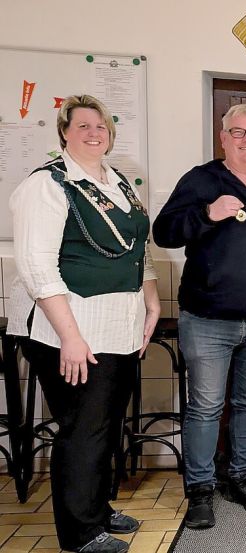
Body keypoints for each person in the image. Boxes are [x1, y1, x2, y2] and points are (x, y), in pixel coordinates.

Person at [7, 94, 159, 553]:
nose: (94, 133)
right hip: (68, 330)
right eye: (83, 126)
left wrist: (150, 301)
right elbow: (36, 267)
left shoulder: (115, 181)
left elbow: (136, 247)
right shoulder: (47, 185)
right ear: (64, 133)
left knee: (105, 424)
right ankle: (80, 534)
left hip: (118, 327)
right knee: (82, 429)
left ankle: (96, 508)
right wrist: (70, 338)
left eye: (101, 126)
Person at [152, 104, 246, 529]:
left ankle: (243, 478)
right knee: (206, 407)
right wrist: (208, 214)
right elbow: (164, 232)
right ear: (224, 137)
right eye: (239, 132)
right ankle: (200, 489)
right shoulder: (201, 180)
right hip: (209, 320)